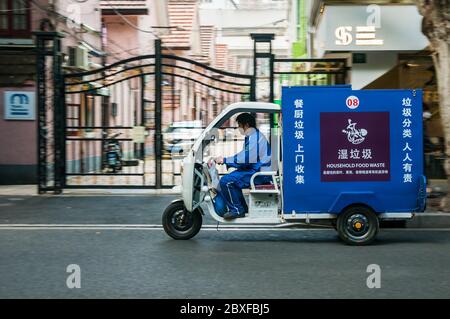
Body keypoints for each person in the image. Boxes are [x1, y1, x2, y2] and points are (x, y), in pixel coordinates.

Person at [212, 113, 271, 220]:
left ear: (246, 125)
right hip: (255, 170)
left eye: (239, 125)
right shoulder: (253, 137)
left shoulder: (255, 138)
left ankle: (237, 210)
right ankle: (242, 207)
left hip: (259, 174)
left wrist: (225, 160)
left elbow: (245, 159)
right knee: (232, 179)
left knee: (226, 181)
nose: (238, 128)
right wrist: (228, 162)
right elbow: (244, 156)